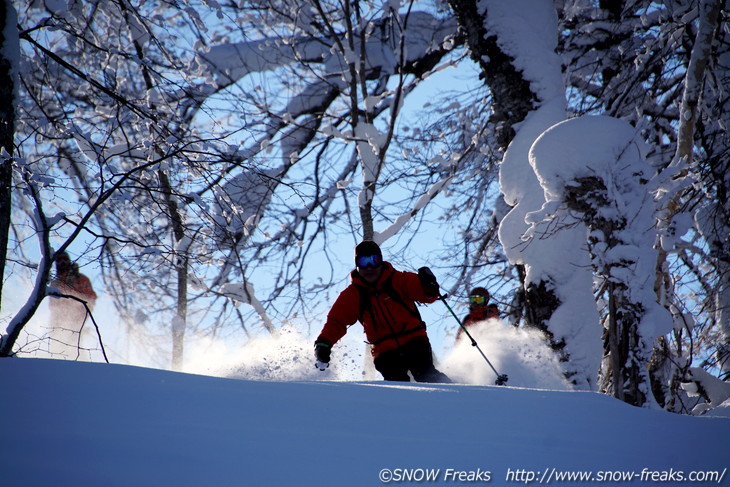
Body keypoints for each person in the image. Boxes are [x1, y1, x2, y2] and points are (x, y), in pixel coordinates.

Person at [314, 240, 451, 383]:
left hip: (414, 340)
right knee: (397, 384)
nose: (369, 267)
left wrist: (429, 286)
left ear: (380, 260)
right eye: (363, 261)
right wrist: (324, 343)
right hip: (384, 351)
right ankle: (405, 405)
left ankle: (456, 395)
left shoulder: (398, 279)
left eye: (374, 260)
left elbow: (425, 295)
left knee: (426, 374)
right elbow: (336, 321)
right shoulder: (353, 294)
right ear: (357, 264)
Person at [48, 252, 98, 348]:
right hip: (59, 321)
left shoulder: (81, 279)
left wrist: (82, 314)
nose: (62, 263)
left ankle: (79, 361)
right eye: (59, 261)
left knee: (74, 343)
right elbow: (52, 305)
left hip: (77, 319)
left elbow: (91, 298)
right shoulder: (56, 283)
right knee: (57, 345)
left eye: (65, 260)